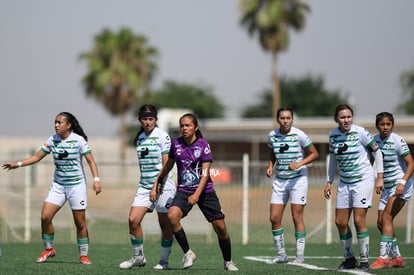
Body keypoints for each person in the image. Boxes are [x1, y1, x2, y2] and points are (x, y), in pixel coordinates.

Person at [2, 112, 102, 264]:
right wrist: (18, 164)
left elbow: (91, 161)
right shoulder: (52, 140)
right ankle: (49, 249)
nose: (56, 125)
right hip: (58, 186)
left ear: (68, 125)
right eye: (55, 122)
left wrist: (96, 179)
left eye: (59, 122)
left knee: (80, 223)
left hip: (76, 186)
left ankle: (83, 255)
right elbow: (37, 157)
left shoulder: (78, 140)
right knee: (45, 217)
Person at [155, 113, 239, 271]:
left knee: (220, 227)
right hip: (184, 190)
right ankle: (188, 253)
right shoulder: (176, 144)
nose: (184, 128)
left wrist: (196, 194)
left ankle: (228, 261)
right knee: (172, 215)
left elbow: (206, 174)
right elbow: (168, 165)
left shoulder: (203, 145)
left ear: (196, 127)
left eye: (187, 125)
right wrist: (159, 179)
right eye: (182, 125)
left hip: (205, 191)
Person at [323, 104, 384, 271]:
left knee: (358, 220)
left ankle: (364, 261)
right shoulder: (333, 135)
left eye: (349, 116)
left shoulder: (360, 132)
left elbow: (377, 152)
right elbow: (334, 159)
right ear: (336, 119)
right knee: (340, 222)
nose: (346, 120)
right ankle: (349, 259)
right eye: (342, 117)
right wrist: (329, 181)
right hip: (344, 182)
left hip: (362, 180)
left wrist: (380, 177)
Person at [118, 104, 176, 270]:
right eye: (145, 119)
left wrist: (156, 186)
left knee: (164, 224)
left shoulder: (163, 137)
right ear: (140, 120)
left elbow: (167, 164)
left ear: (156, 120)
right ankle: (138, 257)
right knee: (133, 220)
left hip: (164, 185)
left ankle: (164, 262)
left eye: (151, 119)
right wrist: (149, 186)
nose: (148, 122)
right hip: (144, 185)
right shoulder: (140, 138)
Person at [266, 107, 319, 264]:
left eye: (288, 118)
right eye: (282, 118)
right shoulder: (272, 136)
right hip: (280, 180)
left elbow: (314, 153)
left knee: (297, 217)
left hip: (298, 180)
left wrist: (299, 164)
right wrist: (270, 166)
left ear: (292, 119)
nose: (285, 121)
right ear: (278, 119)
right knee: (274, 217)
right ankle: (281, 255)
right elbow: (272, 153)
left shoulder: (299, 134)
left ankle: (300, 256)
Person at [369, 112, 414, 270]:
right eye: (382, 124)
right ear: (377, 126)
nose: (386, 127)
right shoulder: (374, 141)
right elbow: (371, 162)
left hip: (401, 187)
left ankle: (383, 259)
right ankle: (398, 258)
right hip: (387, 188)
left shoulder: (397, 140)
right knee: (381, 223)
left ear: (392, 125)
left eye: (389, 124)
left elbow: (411, 163)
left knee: (387, 218)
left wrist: (402, 182)